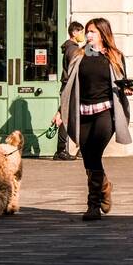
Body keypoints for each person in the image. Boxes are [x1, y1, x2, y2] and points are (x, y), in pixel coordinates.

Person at [53, 17, 133, 221]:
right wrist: (59, 112)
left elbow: (121, 82)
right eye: (87, 31)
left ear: (103, 34)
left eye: (93, 32)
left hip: (105, 113)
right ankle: (105, 185)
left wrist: (127, 89)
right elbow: (68, 86)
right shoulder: (78, 56)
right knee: (88, 157)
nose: (88, 35)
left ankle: (93, 205)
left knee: (94, 154)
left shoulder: (115, 56)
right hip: (83, 113)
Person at [53, 21, 84, 161]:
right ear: (74, 33)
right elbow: (76, 69)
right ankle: (62, 151)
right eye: (81, 32)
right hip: (71, 87)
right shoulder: (73, 50)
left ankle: (62, 150)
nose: (83, 35)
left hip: (68, 86)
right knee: (68, 117)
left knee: (69, 116)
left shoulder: (72, 48)